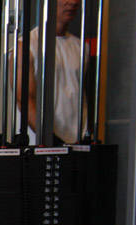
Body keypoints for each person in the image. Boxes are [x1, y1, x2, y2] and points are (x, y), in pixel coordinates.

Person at [15, 0, 84, 145]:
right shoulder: (27, 45)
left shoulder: (81, 47)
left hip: (78, 142)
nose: (72, 3)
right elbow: (24, 99)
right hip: (42, 144)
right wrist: (51, 141)